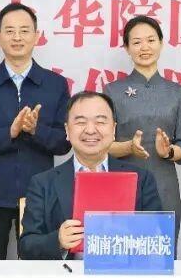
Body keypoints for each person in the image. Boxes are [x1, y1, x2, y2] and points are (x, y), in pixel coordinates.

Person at [0, 2, 71, 259]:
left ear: (37, 36)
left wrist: (35, 130)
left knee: (39, 271)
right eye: (9, 31)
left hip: (40, 197)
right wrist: (9, 133)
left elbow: (64, 141)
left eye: (24, 30)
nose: (17, 37)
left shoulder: (55, 84)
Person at [19, 91, 161, 259]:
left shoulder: (142, 180)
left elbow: (158, 240)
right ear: (67, 130)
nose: (91, 130)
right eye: (81, 122)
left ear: (113, 129)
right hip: (67, 274)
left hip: (124, 273)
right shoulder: (42, 183)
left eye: (100, 121)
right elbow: (26, 246)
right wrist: (57, 240)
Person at [105, 15, 181, 247]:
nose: (144, 47)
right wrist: (128, 147)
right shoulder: (113, 91)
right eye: (136, 42)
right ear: (127, 48)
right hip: (123, 183)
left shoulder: (177, 92)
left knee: (162, 254)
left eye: (151, 40)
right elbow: (103, 145)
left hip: (164, 184)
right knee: (120, 253)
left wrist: (169, 151)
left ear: (161, 43)